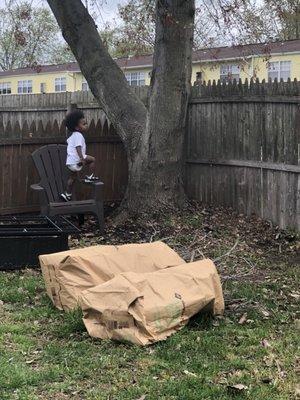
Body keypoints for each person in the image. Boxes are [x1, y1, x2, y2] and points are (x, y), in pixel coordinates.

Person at [60, 109, 99, 202]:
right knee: (93, 160)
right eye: (84, 124)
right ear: (77, 127)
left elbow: (69, 143)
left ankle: (67, 194)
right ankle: (90, 176)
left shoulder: (72, 136)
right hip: (78, 159)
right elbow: (78, 147)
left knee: (72, 178)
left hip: (70, 163)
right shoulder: (78, 135)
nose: (86, 125)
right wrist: (82, 158)